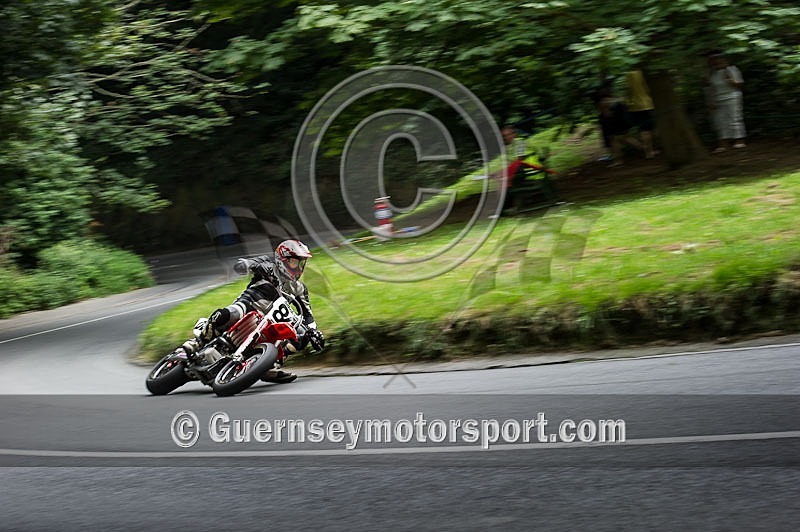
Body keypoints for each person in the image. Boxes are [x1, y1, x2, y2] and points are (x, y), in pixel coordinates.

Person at [182, 239, 325, 383]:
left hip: (270, 322)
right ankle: (198, 342)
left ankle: (269, 365)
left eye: (301, 263)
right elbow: (243, 265)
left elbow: (308, 315)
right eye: (295, 263)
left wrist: (314, 332)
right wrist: (247, 265)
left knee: (301, 336)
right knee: (226, 315)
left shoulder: (300, 289)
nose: (298, 268)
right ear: (283, 259)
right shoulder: (268, 264)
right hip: (248, 306)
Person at [706, 52, 746, 152]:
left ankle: (739, 140)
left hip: (732, 96)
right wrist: (712, 100)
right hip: (718, 98)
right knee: (720, 121)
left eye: (718, 59)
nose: (716, 62)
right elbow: (711, 88)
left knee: (735, 118)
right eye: (713, 60)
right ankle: (723, 143)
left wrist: (730, 79)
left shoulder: (732, 69)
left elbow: (739, 84)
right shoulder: (712, 73)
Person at [625, 69, 658, 159]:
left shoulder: (628, 74)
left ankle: (648, 152)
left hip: (635, 106)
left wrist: (628, 102)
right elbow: (647, 88)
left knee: (643, 129)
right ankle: (649, 150)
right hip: (647, 104)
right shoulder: (642, 72)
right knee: (648, 129)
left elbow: (628, 91)